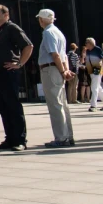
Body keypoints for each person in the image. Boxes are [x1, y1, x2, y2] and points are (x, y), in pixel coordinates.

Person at [0, 3, 33, 151]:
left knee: (13, 106)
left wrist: (19, 63)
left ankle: (20, 140)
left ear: (6, 15)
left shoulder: (12, 28)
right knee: (2, 107)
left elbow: (28, 46)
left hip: (7, 73)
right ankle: (10, 138)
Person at [36, 9, 75, 148]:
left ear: (41, 20)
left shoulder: (48, 32)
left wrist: (62, 71)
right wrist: (65, 70)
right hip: (58, 69)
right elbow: (62, 55)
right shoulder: (58, 32)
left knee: (55, 105)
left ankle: (61, 137)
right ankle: (68, 135)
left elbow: (55, 54)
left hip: (50, 69)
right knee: (62, 104)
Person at [82, 37, 103, 112]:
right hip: (90, 70)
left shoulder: (98, 49)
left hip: (97, 69)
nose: (85, 44)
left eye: (86, 43)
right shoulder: (87, 51)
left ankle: (93, 105)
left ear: (90, 43)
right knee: (98, 87)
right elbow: (83, 60)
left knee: (94, 87)